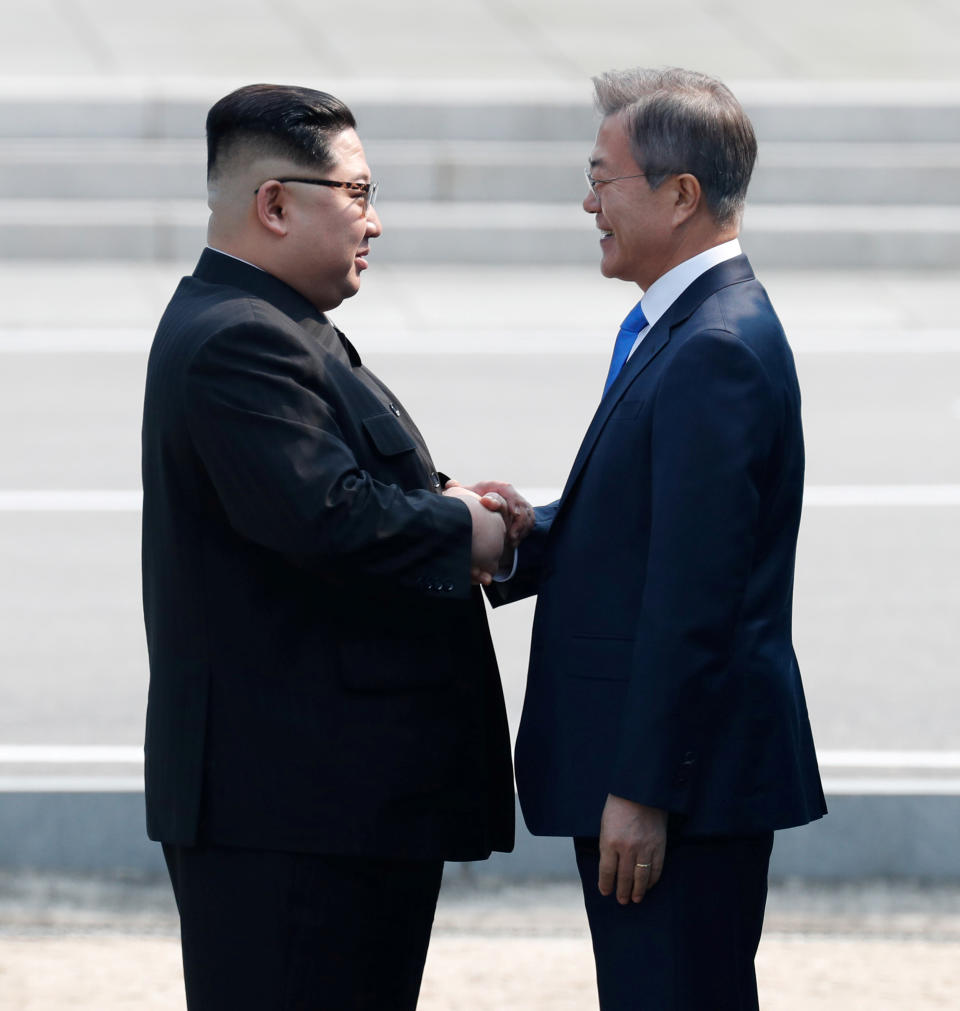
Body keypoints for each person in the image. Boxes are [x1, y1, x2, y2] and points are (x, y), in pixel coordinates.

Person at [140, 83, 528, 1011]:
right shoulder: (241, 339)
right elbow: (328, 518)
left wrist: (443, 503)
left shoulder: (278, 327)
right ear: (274, 203)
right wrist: (466, 529)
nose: (375, 221)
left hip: (327, 806)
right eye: (355, 193)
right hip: (293, 816)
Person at [484, 67, 827, 1010]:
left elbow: (694, 594)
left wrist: (645, 789)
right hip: (672, 775)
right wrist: (521, 537)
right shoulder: (675, 326)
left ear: (680, 195)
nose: (587, 201)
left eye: (604, 178)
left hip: (680, 786)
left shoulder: (713, 345)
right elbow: (647, 529)